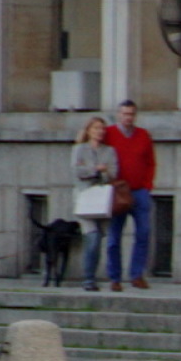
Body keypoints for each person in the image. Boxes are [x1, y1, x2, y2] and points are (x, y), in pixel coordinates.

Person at [103, 100, 156, 292]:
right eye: (124, 114)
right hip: (118, 191)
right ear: (118, 115)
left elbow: (151, 162)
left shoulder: (143, 135)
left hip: (139, 190)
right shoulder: (109, 134)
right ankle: (115, 277)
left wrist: (148, 185)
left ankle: (137, 274)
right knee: (114, 237)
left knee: (143, 232)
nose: (128, 117)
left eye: (131, 114)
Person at [71, 116, 118, 292]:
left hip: (102, 200)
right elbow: (77, 172)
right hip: (84, 198)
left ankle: (93, 275)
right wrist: (96, 169)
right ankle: (88, 278)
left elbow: (112, 173)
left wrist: (102, 172)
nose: (99, 132)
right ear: (89, 130)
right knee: (92, 237)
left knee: (99, 239)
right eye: (96, 128)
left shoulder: (109, 151)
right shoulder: (79, 149)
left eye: (102, 129)